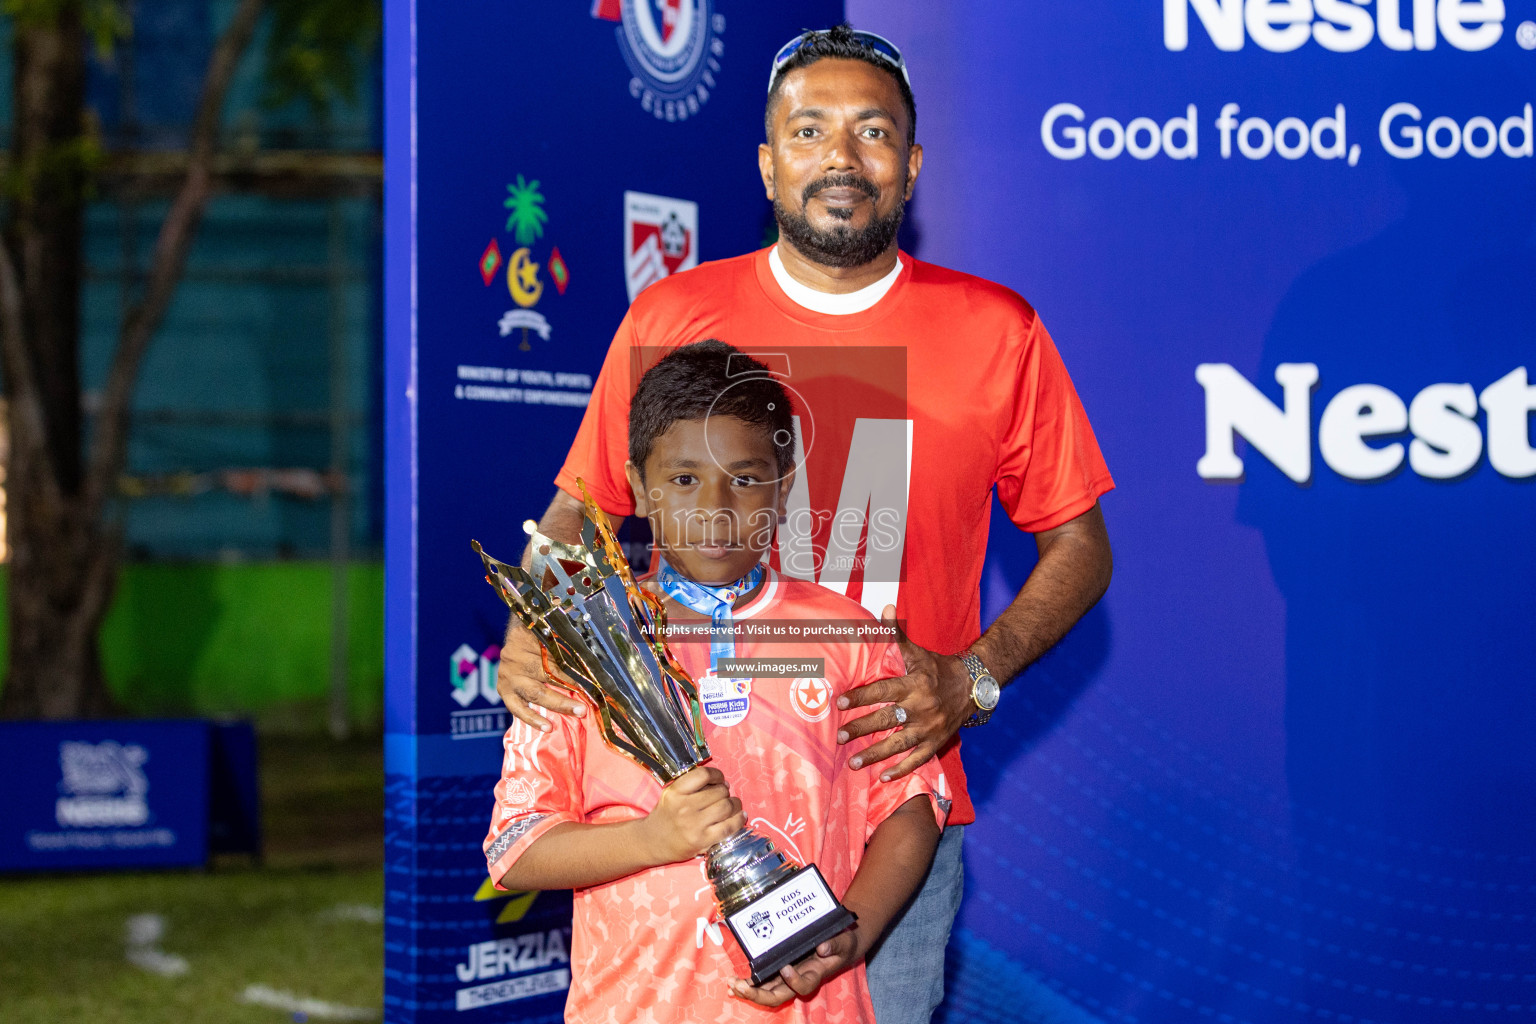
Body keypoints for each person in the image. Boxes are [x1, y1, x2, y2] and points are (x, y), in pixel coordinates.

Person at [497, 25, 1115, 1023]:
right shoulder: (670, 315)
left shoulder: (998, 329)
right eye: (811, 129)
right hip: (679, 810)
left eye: (873, 133)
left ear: (910, 166)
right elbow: (584, 503)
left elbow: (1080, 545)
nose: (841, 156)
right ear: (768, 161)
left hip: (883, 809)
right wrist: (534, 622)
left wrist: (975, 675)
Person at [484, 340, 946, 1023]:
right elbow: (515, 847)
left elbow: (911, 805)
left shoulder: (851, 635)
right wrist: (652, 840)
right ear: (637, 488)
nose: (718, 508)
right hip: (634, 1005)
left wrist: (853, 929)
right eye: (683, 480)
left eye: (746, 477)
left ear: (785, 486)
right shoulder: (585, 643)